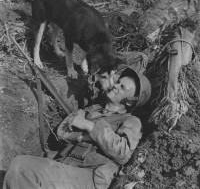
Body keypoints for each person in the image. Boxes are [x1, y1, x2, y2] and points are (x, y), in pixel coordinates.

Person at [3, 67, 151, 189]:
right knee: (15, 169)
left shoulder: (132, 121)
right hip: (67, 166)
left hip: (91, 176)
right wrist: (81, 136)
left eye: (122, 87)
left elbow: (124, 153)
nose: (115, 85)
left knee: (21, 168)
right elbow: (61, 131)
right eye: (118, 82)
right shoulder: (93, 109)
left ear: (130, 102)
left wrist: (89, 126)